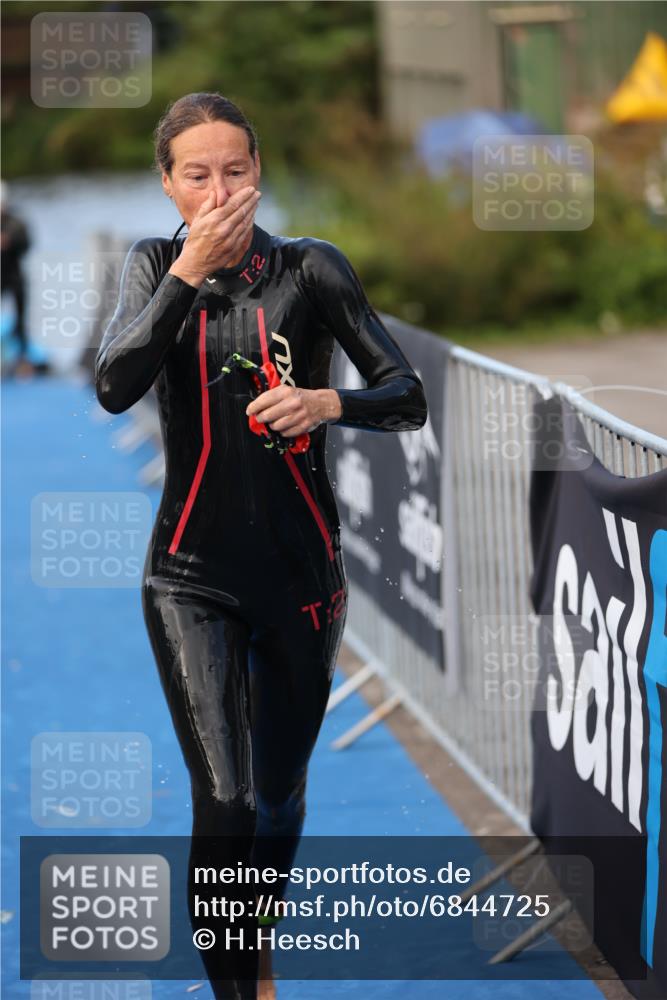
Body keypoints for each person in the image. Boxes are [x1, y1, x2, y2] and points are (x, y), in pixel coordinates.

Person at [94, 92, 427, 1000]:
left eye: (234, 170)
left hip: (300, 578)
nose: (218, 189)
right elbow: (114, 385)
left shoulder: (311, 269)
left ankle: (253, 937)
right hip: (188, 577)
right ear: (168, 183)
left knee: (277, 799)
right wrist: (184, 276)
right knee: (227, 800)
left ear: (259, 172)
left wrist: (330, 404)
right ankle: (235, 988)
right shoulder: (152, 263)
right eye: (195, 174)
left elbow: (405, 394)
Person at [0, 181, 33, 376]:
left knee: (21, 318)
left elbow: (27, 244)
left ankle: (23, 360)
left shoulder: (16, 222)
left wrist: (10, 241)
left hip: (14, 275)